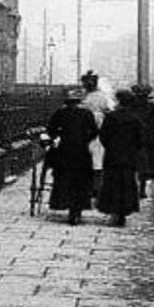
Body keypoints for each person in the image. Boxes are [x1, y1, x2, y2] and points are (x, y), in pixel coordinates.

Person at [46, 88, 99, 225]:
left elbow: (50, 130)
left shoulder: (60, 113)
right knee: (81, 181)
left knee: (65, 179)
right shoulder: (86, 114)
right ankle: (77, 209)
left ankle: (67, 205)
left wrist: (59, 137)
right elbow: (94, 131)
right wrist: (85, 139)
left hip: (64, 151)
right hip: (81, 152)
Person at [97, 88, 145, 226]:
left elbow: (103, 136)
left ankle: (114, 212)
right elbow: (141, 139)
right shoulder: (135, 118)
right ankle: (124, 211)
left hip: (113, 155)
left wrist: (111, 147)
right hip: (129, 157)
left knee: (112, 184)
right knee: (127, 184)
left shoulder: (111, 117)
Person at [80, 70, 113, 199]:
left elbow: (108, 110)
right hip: (84, 128)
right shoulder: (83, 96)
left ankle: (96, 187)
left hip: (97, 129)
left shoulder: (101, 97)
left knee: (97, 158)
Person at [130, 83, 154, 199]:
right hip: (147, 140)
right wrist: (152, 133)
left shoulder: (131, 106)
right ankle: (141, 190)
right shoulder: (151, 106)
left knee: (133, 165)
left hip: (134, 140)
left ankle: (136, 189)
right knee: (145, 166)